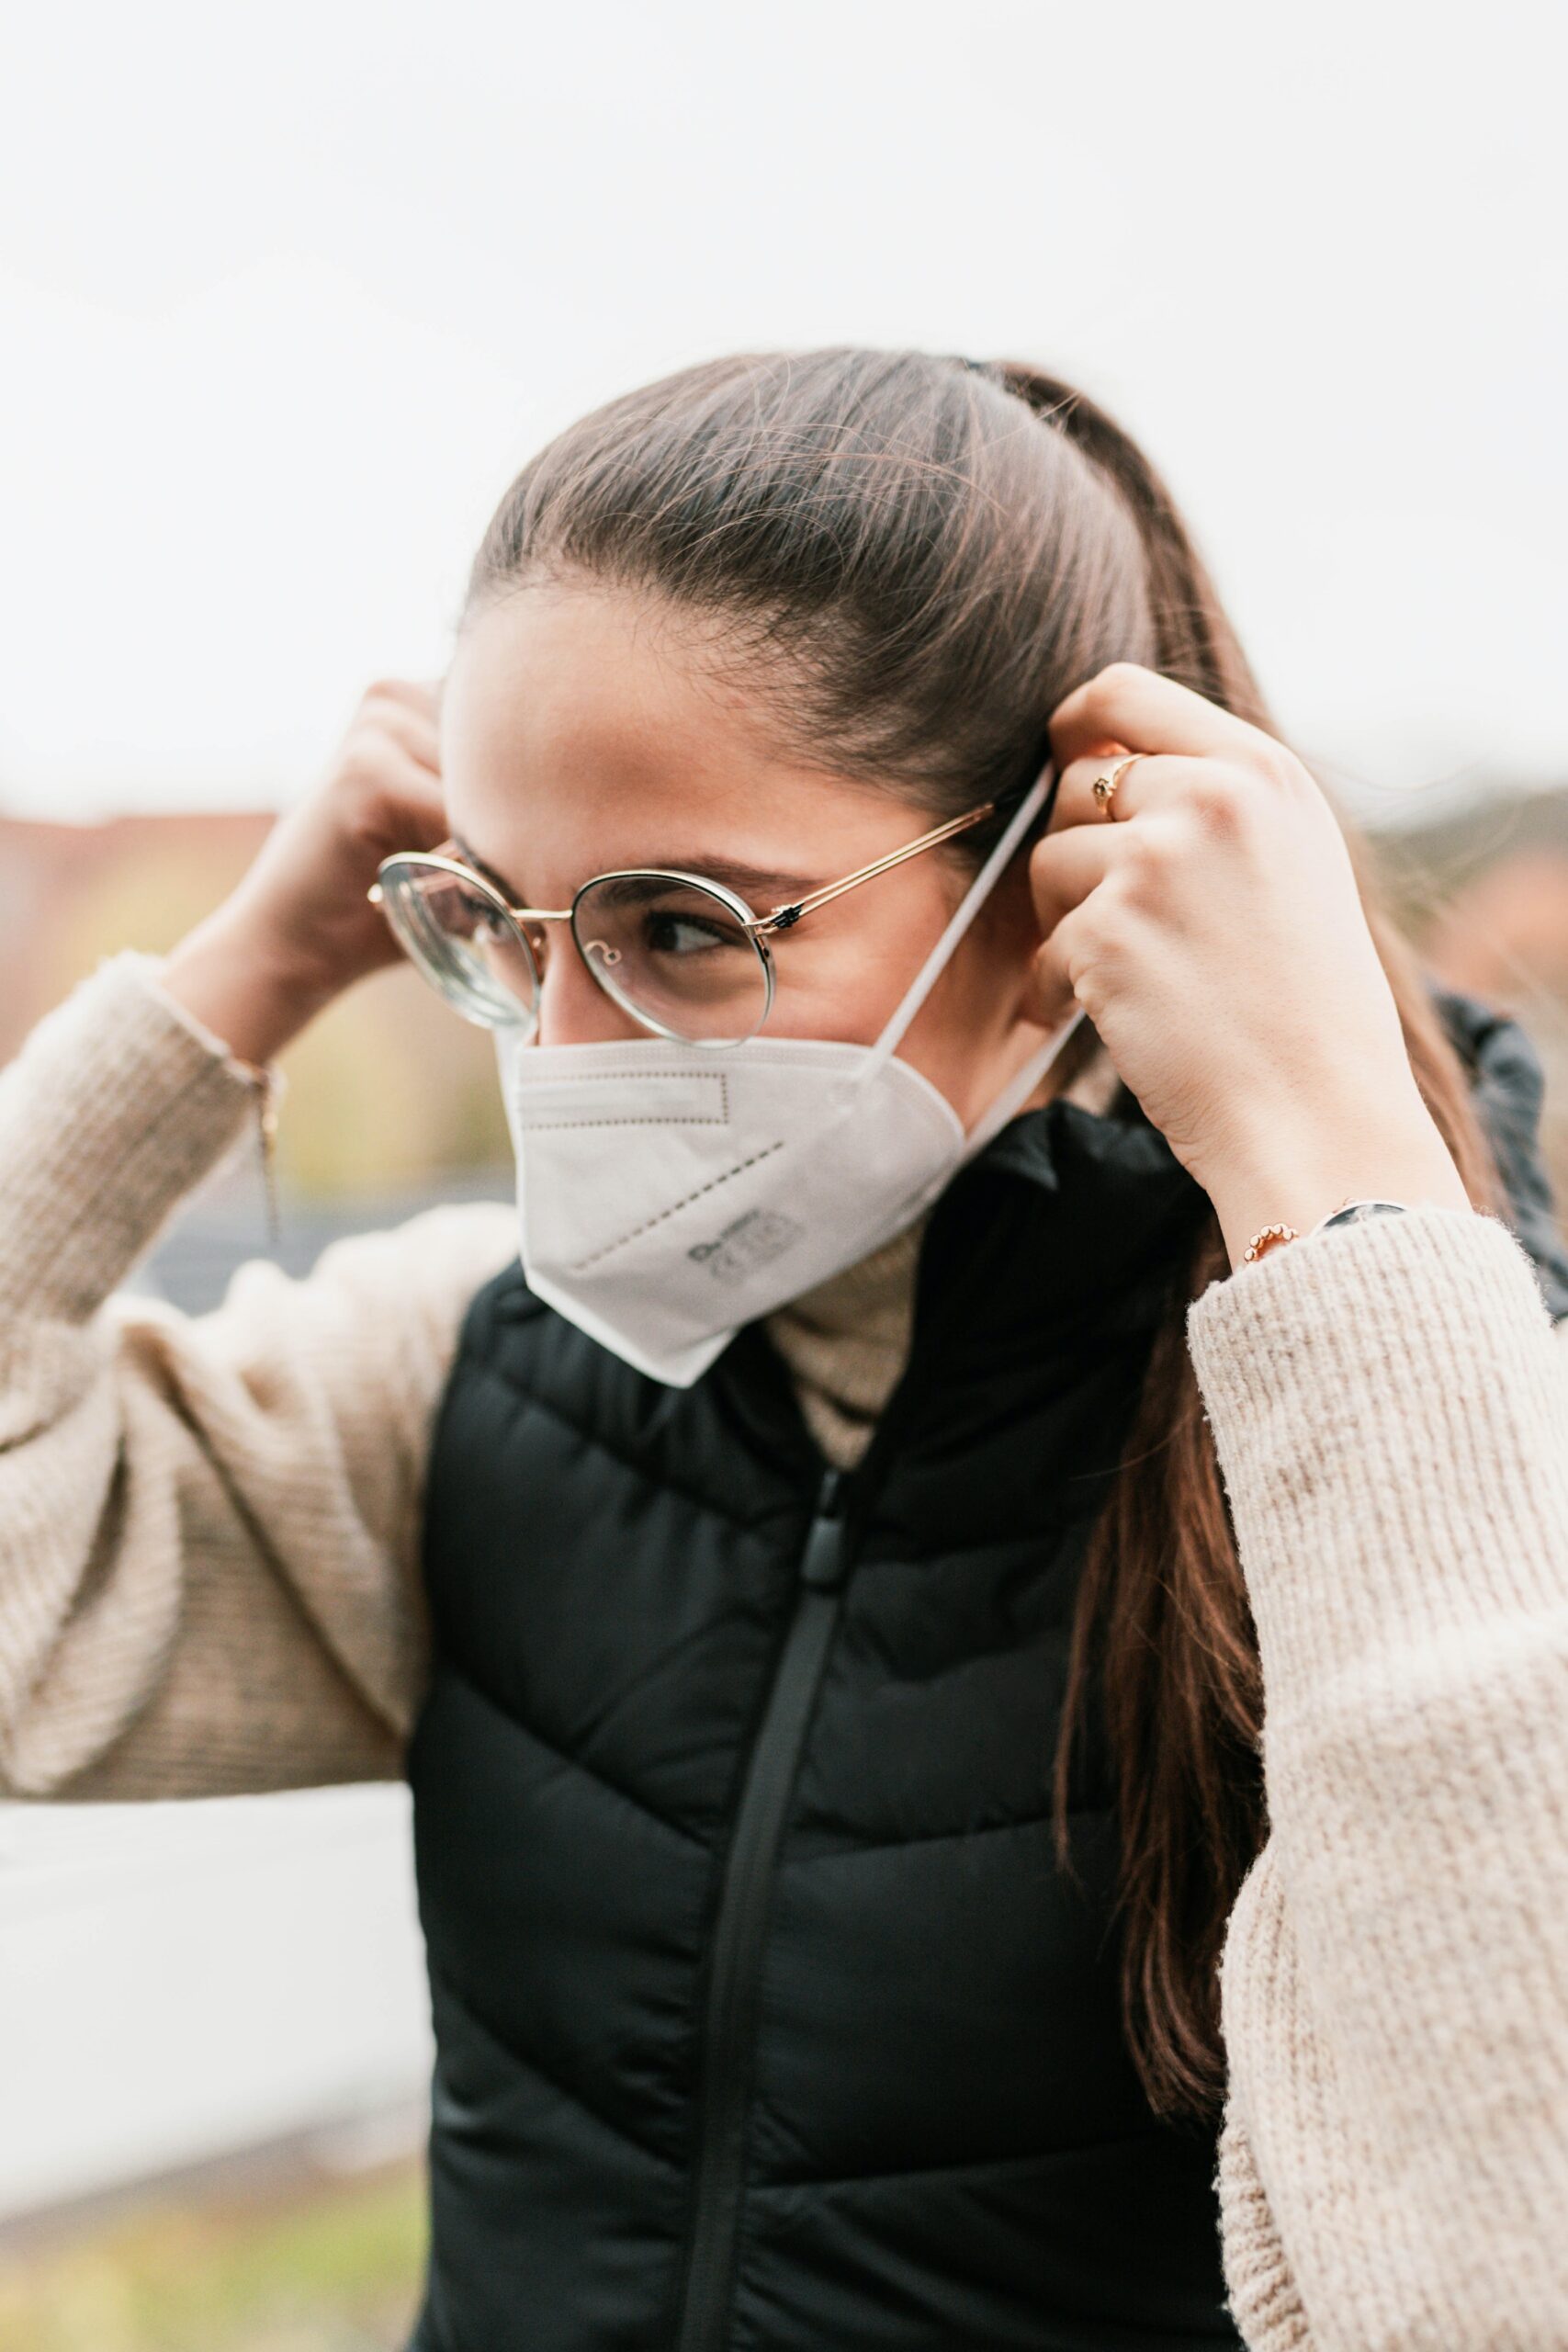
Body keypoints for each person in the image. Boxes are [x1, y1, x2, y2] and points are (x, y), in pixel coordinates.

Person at [2, 347, 1566, 2352]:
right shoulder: (478, 1376)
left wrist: (1331, 1162)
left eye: (679, 928)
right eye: (501, 923)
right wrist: (247, 962)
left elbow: (1494, 2268)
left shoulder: (1421, 1443)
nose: (562, 1056)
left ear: (1045, 889)